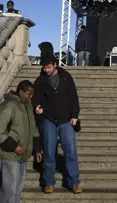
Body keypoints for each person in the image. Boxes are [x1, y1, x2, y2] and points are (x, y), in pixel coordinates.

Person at [33, 55, 81, 194]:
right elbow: (36, 98)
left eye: (48, 67)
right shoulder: (41, 80)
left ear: (54, 65)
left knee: (70, 152)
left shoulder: (66, 77)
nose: (46, 70)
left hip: (66, 119)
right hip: (49, 119)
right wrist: (37, 107)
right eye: (44, 67)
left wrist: (74, 116)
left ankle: (74, 182)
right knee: (48, 152)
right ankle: (48, 182)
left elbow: (73, 97)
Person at [0, 80, 43, 203]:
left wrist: (37, 149)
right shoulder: (9, 105)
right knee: (10, 191)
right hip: (9, 154)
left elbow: (33, 128)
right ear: (20, 92)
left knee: (17, 190)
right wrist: (14, 147)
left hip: (23, 154)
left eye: (32, 95)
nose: (31, 97)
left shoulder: (28, 106)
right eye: (28, 94)